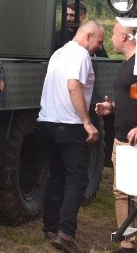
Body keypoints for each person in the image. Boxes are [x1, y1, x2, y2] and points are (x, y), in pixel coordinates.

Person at [39, 20, 105, 253]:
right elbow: (73, 85)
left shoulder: (59, 53)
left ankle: (50, 227)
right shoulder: (80, 55)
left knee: (55, 176)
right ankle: (66, 234)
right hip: (69, 124)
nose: (99, 47)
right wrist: (87, 122)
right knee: (77, 179)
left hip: (47, 121)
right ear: (87, 36)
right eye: (99, 41)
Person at [94, 23, 137, 252]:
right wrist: (112, 107)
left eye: (112, 33)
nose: (110, 38)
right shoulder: (127, 64)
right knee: (121, 192)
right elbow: (131, 99)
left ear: (124, 35)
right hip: (121, 137)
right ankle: (127, 244)